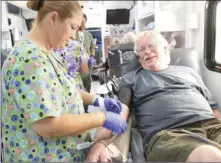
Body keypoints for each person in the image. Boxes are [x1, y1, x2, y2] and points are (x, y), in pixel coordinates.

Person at [1, 1, 127, 162]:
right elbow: (48, 126)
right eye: (73, 27)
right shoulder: (30, 60)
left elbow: (65, 89)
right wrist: (102, 118)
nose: (74, 36)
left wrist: (97, 101)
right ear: (53, 19)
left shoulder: (47, 52)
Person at [86, 30, 221, 162]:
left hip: (213, 126)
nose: (147, 52)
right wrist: (100, 143)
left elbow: (214, 108)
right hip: (170, 135)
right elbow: (120, 114)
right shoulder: (132, 78)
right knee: (207, 155)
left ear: (166, 48)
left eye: (151, 46)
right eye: (141, 49)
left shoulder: (190, 72)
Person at [76, 14, 96, 92]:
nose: (83, 24)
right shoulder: (72, 34)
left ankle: (86, 103)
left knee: (87, 84)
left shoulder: (89, 35)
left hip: (87, 63)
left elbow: (92, 46)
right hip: (76, 65)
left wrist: (92, 56)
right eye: (81, 22)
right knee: (78, 86)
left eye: (85, 22)